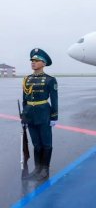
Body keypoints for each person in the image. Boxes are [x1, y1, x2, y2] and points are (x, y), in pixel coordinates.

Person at [21, 48, 58, 180]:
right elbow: (25, 99)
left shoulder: (50, 80)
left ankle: (45, 170)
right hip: (30, 115)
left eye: (36, 60)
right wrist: (24, 115)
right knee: (36, 144)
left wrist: (54, 116)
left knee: (46, 144)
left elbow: (54, 100)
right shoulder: (27, 79)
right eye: (32, 60)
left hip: (43, 113)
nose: (33, 62)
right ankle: (37, 169)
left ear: (44, 63)